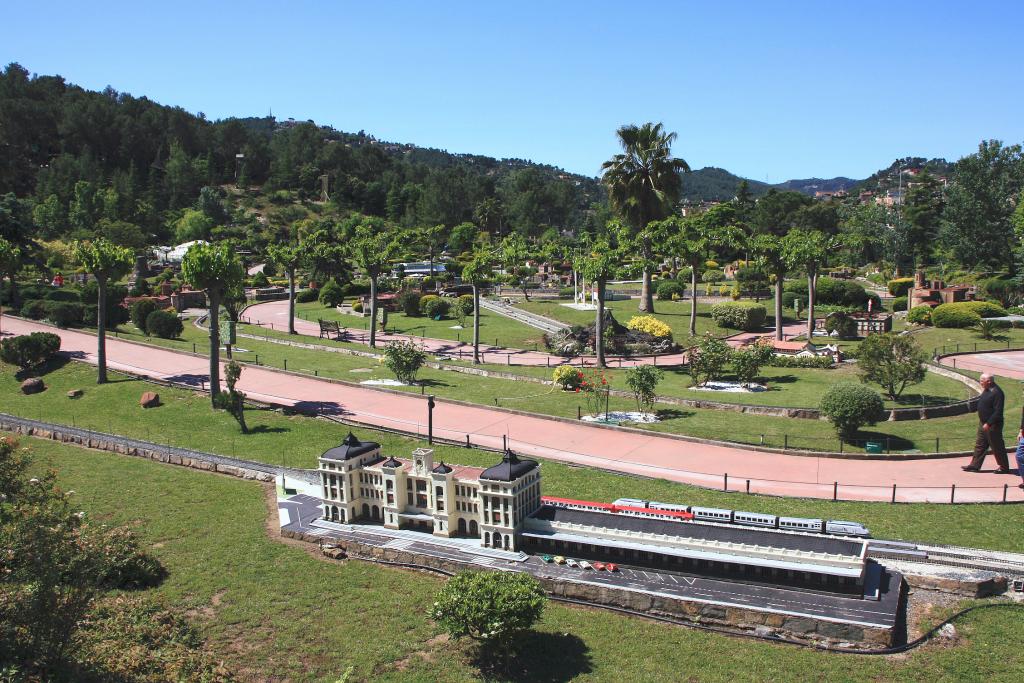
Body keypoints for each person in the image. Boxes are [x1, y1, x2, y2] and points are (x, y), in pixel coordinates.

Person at [963, 373, 1012, 473]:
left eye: (982, 381)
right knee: (980, 444)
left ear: (989, 381)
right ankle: (974, 465)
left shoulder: (997, 393)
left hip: (993, 425)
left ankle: (1004, 467)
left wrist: (989, 423)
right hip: (983, 423)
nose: (980, 382)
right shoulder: (987, 389)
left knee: (997, 446)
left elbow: (998, 412)